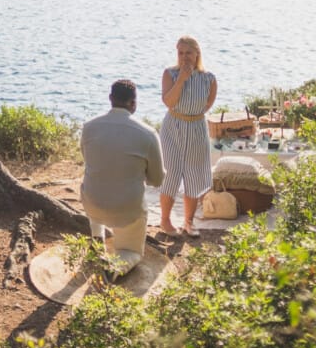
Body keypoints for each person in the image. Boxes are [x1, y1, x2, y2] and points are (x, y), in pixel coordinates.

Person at [80, 79, 165, 275]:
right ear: (133, 103)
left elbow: (89, 161)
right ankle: (115, 267)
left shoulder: (89, 127)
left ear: (110, 99)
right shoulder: (148, 134)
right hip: (127, 210)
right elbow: (157, 180)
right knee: (131, 251)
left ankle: (96, 239)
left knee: (96, 181)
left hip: (93, 204)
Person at [158, 35, 217, 237]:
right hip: (173, 127)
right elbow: (169, 101)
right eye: (180, 53)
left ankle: (188, 222)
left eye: (188, 53)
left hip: (197, 128)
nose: (184, 57)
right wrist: (182, 79)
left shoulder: (209, 78)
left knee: (193, 175)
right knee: (172, 173)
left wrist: (192, 115)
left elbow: (207, 105)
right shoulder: (170, 74)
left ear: (197, 54)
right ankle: (165, 221)